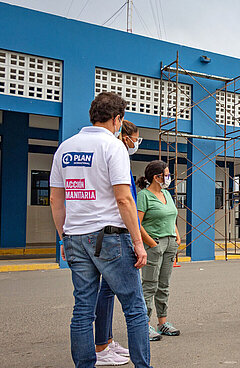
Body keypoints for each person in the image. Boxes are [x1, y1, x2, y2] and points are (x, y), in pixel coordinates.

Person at [49, 92, 151, 367]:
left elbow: (56, 198)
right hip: (109, 238)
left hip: (75, 236)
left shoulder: (65, 148)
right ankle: (143, 365)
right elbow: (124, 198)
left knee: (83, 309)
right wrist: (138, 243)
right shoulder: (112, 147)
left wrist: (63, 237)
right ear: (117, 119)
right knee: (134, 307)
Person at [93, 120, 144, 365]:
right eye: (136, 138)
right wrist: (139, 240)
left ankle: (105, 340)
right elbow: (125, 200)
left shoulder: (115, 153)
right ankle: (102, 346)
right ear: (125, 135)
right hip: (115, 233)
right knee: (130, 303)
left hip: (108, 232)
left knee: (106, 290)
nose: (137, 142)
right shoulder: (115, 152)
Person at [136, 160, 181, 340]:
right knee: (149, 285)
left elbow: (172, 216)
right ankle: (144, 325)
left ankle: (162, 323)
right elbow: (137, 224)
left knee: (164, 285)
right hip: (154, 244)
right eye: (167, 174)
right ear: (157, 177)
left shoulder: (166, 194)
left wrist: (176, 236)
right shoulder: (144, 196)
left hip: (170, 244)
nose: (169, 178)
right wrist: (151, 243)